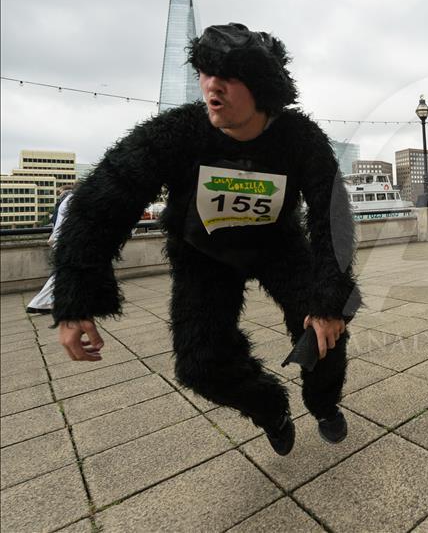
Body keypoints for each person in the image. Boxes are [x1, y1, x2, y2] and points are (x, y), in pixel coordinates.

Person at [52, 23, 360, 455]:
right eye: (206, 71)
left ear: (262, 89)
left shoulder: (300, 139)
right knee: (199, 363)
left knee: (329, 328)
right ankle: (270, 408)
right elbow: (101, 204)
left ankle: (324, 403)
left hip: (278, 245)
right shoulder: (175, 133)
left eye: (229, 76)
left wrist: (328, 303)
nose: (212, 85)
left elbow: (334, 222)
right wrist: (75, 301)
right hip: (203, 254)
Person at [26, 185, 74, 314]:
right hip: (69, 243)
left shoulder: (67, 201)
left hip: (65, 241)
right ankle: (41, 302)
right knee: (64, 272)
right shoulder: (73, 200)